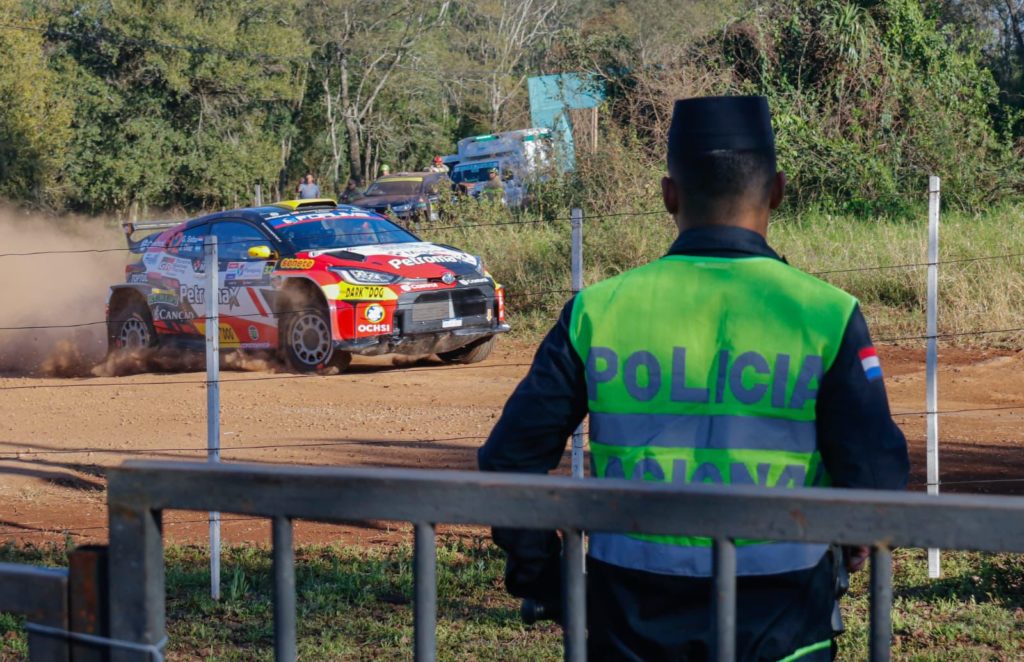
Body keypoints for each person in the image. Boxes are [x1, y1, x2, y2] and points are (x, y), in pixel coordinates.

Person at [478, 95, 909, 661]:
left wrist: (548, 580)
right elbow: (875, 477)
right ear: (777, 191)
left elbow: (510, 460)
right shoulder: (827, 313)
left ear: (669, 195)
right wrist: (852, 541)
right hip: (782, 625)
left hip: (631, 626)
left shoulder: (598, 311)